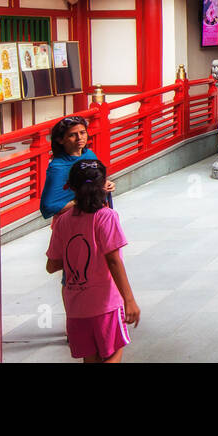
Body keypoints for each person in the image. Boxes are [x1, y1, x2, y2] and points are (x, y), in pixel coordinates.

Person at [46, 158, 140, 362]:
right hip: (105, 303)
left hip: (76, 307)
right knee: (114, 352)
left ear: (70, 187)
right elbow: (113, 260)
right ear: (105, 184)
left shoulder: (62, 221)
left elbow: (52, 265)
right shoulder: (107, 216)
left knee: (90, 359)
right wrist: (130, 300)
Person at [40, 116, 114, 220]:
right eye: (72, 135)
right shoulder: (57, 168)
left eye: (82, 132)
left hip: (95, 215)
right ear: (60, 140)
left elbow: (95, 180)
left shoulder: (89, 155)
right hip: (71, 221)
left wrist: (106, 184)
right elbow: (48, 207)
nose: (79, 138)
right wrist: (83, 199)